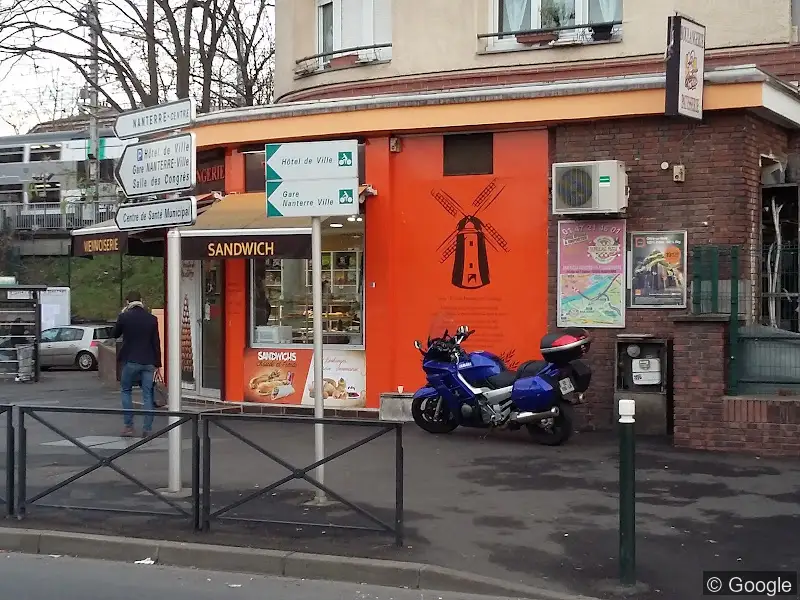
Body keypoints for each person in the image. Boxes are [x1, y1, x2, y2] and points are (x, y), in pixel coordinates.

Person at [113, 290, 163, 437]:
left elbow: (114, 334)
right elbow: (156, 342)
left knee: (126, 390)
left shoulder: (124, 317)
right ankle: (147, 429)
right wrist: (158, 363)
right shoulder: (151, 319)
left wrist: (121, 315)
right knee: (147, 394)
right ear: (141, 301)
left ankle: (129, 426)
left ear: (127, 302)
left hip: (131, 360)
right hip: (148, 362)